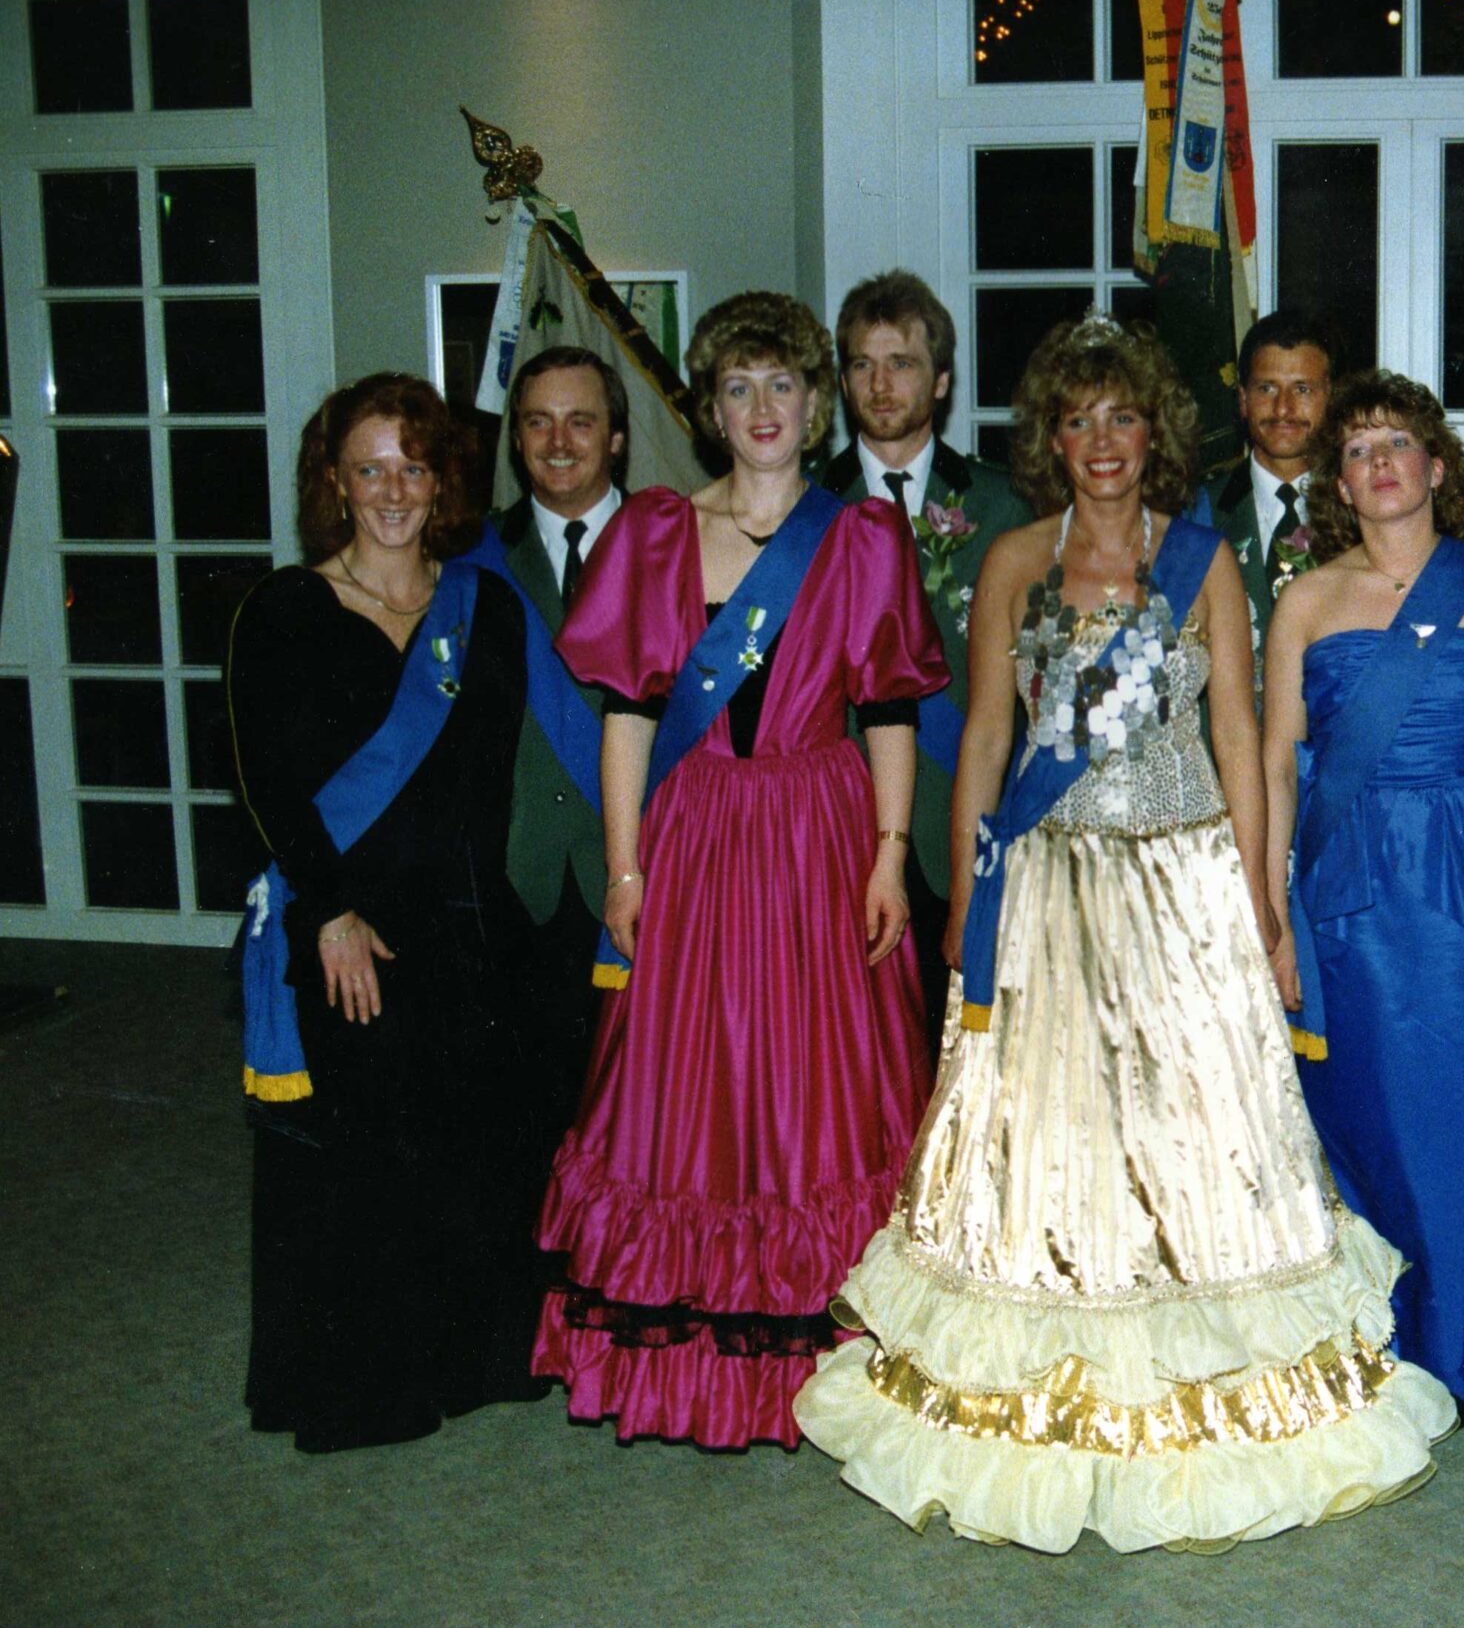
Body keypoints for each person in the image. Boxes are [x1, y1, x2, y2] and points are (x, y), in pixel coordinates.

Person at [795, 316, 1453, 1553]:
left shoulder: (1200, 562)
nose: (1101, 441)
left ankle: (1212, 1380)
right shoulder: (1012, 560)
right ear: (1050, 440)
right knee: (1050, 1132)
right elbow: (987, 733)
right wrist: (968, 891)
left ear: (1155, 433)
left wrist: (1255, 895)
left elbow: (1240, 734)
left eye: (1123, 417)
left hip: (1186, 875)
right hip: (1049, 877)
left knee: (1201, 1130)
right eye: (1077, 420)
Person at [531, 291, 948, 1449]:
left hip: (819, 832)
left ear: (815, 405)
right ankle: (697, 1367)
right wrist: (624, 868)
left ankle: (837, 1356)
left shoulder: (860, 539)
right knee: (692, 1085)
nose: (761, 408)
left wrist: (888, 856)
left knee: (821, 1088)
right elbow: (627, 718)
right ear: (710, 410)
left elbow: (888, 713)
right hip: (699, 834)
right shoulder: (655, 533)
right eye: (736, 387)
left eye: (782, 386)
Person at [229, 373, 550, 1451]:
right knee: (364, 1155)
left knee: (477, 1138)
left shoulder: (483, 607)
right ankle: (363, 1386)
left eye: (414, 466)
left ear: (444, 480)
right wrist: (328, 913)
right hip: (348, 924)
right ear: (334, 482)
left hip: (464, 915)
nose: (394, 490)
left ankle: (473, 1358)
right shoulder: (283, 611)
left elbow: (498, 778)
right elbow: (265, 782)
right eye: (370, 469)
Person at [1261, 369, 1464, 1422]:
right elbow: (1275, 767)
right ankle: (1370, 1345)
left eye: (1396, 443)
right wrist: (1272, 920)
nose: (1378, 462)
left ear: (1436, 466)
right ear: (1338, 484)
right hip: (1347, 896)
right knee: (1362, 1122)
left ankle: (1462, 1346)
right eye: (1356, 450)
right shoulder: (1304, 600)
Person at [821, 270, 1030, 1030]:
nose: (881, 386)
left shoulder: (1005, 506)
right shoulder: (808, 507)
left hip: (967, 820)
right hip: (843, 828)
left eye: (901, 363)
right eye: (862, 365)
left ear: (941, 380)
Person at [492, 345, 624, 1128]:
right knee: (531, 1109)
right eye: (539, 423)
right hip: (522, 867)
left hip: (647, 872)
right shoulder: (473, 556)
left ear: (617, 437)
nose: (559, 442)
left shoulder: (678, 546)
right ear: (517, 438)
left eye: (581, 421)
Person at [1195, 310, 1338, 638]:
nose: (1283, 408)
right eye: (1267, 388)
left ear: (1329, 399)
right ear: (1243, 400)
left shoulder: (1360, 511)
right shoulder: (1199, 510)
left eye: (1302, 389)